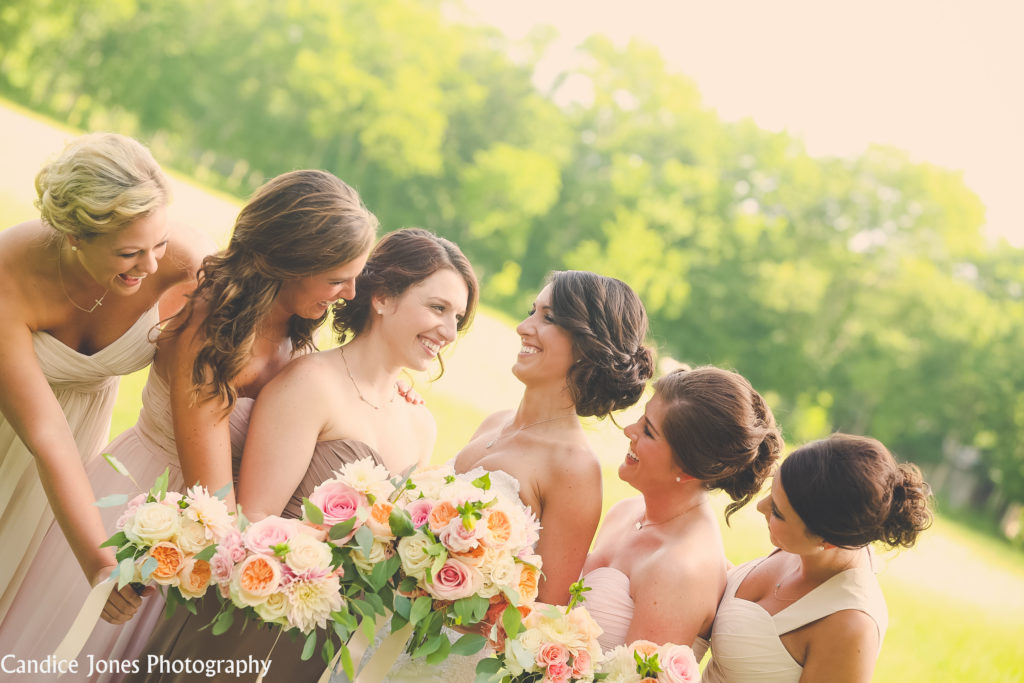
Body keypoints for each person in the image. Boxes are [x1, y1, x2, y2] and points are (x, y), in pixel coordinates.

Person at [0, 168, 377, 681]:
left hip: (206, 545)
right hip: (150, 514)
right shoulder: (210, 322)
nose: (351, 292)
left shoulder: (299, 332)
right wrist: (294, 557)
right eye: (337, 278)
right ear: (292, 262)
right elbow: (214, 495)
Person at [125, 228, 478, 683]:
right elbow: (250, 521)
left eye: (458, 317)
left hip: (319, 636)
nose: (448, 331)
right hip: (245, 614)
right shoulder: (309, 383)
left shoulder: (421, 422)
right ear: (383, 298)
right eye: (437, 308)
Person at [0, 132, 207, 626]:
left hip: (76, 445)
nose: (153, 264)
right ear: (74, 235)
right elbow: (46, 436)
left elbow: (256, 339)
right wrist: (98, 563)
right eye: (129, 253)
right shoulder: (10, 270)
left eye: (159, 242)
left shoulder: (186, 264)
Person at [455, 270, 654, 606]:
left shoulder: (573, 468)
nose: (523, 327)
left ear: (587, 345)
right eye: (531, 311)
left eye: (547, 318)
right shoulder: (493, 423)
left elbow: (544, 611)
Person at [580, 366, 783, 659]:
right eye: (642, 417)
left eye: (648, 430)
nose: (629, 430)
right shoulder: (626, 511)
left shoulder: (680, 570)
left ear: (687, 469)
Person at [701, 433, 933, 683]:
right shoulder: (810, 550)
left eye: (778, 512)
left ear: (826, 540)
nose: (761, 507)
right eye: (772, 491)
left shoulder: (851, 627)